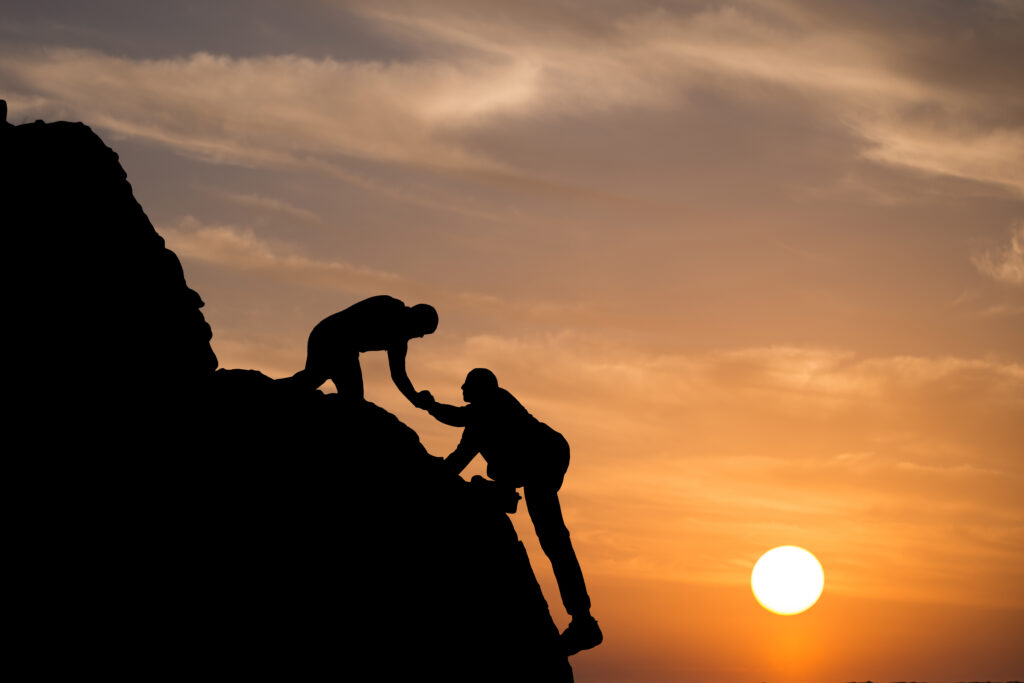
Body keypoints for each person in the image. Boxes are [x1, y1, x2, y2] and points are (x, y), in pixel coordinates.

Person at [420, 368, 602, 656]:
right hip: (533, 460)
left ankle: (583, 621)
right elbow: (458, 445)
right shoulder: (481, 420)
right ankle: (502, 492)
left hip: (544, 457)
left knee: (553, 538)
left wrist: (429, 407)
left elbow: (457, 426)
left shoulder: (492, 407)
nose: (462, 389)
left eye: (467, 386)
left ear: (480, 389)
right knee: (496, 472)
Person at [288, 295, 436, 406]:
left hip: (333, 339)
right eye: (423, 331)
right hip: (333, 336)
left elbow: (398, 375)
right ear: (417, 320)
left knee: (313, 380)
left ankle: (279, 392)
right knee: (352, 399)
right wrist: (415, 398)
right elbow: (353, 322)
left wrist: (415, 399)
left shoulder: (399, 341)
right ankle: (276, 392)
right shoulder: (389, 306)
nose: (421, 336)